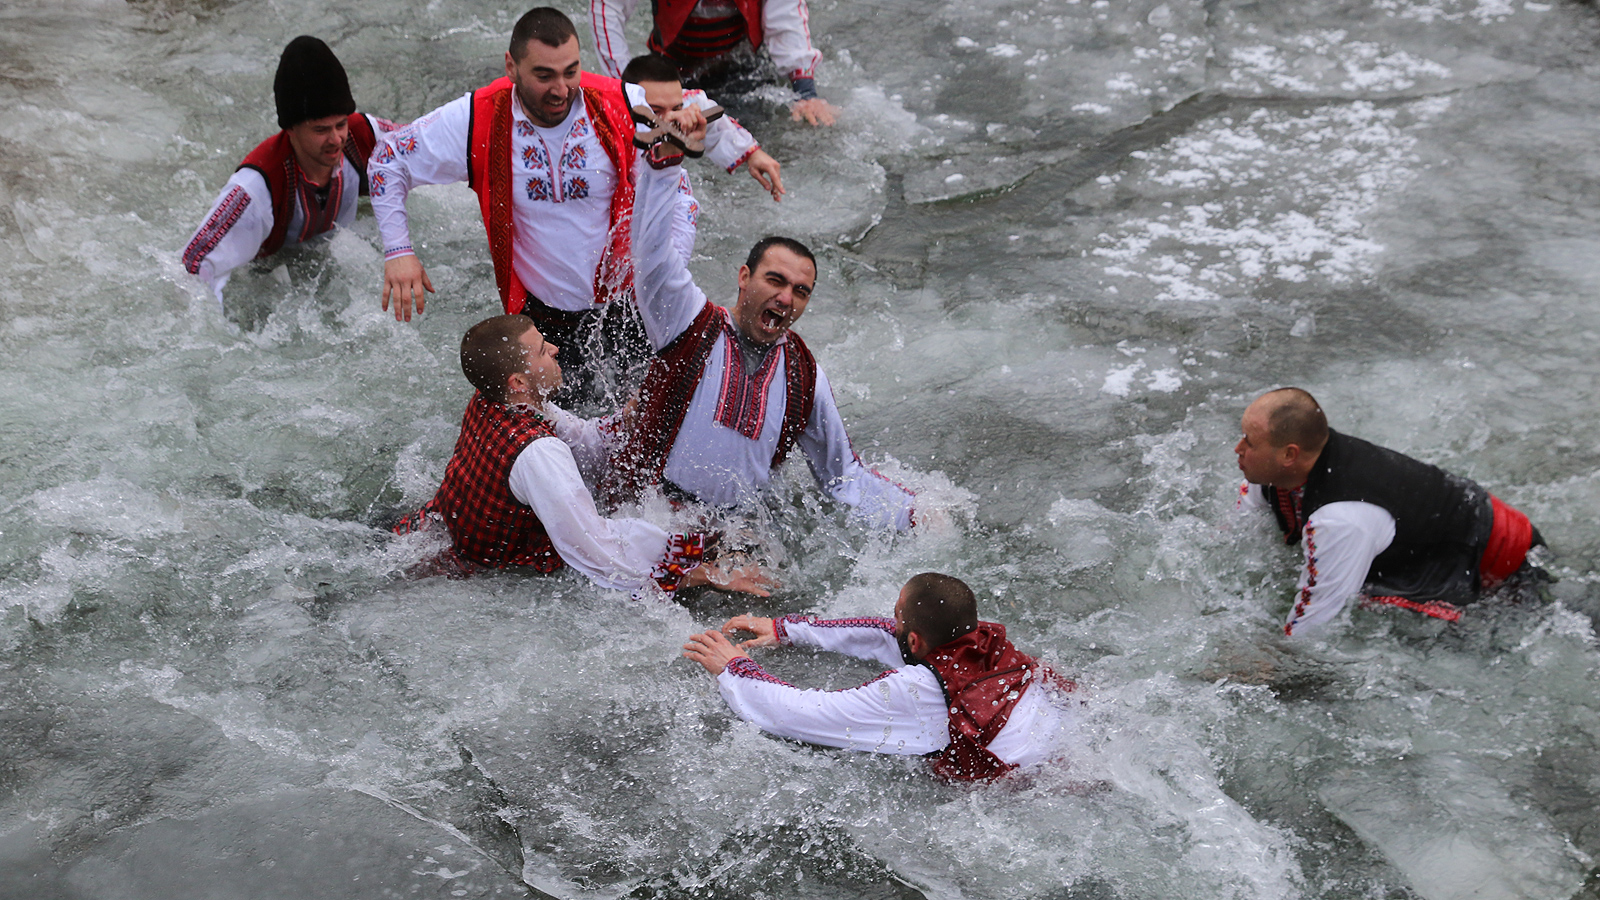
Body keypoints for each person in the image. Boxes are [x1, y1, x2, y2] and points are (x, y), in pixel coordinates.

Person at [547, 133, 917, 531]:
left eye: (800, 291)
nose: (785, 297)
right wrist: (664, 165)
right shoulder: (689, 322)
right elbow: (651, 257)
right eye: (775, 280)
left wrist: (914, 514)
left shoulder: (804, 376)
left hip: (736, 537)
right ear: (744, 277)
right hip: (647, 524)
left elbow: (843, 477)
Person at [369, 5, 699, 400]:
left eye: (570, 71)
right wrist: (399, 251)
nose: (561, 89)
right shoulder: (478, 116)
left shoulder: (621, 103)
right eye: (544, 75)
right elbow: (388, 159)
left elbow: (678, 189)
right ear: (512, 66)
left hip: (629, 309)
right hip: (544, 325)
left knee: (648, 433)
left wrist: (669, 271)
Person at [393, 313, 770, 599]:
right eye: (542, 350)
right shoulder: (539, 455)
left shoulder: (495, 399)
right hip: (483, 583)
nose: (555, 349)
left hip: (431, 541)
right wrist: (701, 572)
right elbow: (598, 551)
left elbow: (584, 441)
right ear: (519, 383)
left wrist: (629, 418)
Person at [681, 572, 1079, 780]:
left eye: (899, 615)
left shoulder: (917, 691)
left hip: (1013, 792)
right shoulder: (992, 643)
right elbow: (887, 634)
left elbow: (805, 714)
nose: (893, 621)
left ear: (917, 637)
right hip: (1068, 753)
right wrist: (787, 629)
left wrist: (734, 667)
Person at [1234, 387, 1545, 636]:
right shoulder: (1274, 473)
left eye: (1249, 441)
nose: (1238, 448)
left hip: (1496, 559)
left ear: (1290, 454)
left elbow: (1315, 623)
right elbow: (1232, 542)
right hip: (1457, 516)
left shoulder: (1341, 520)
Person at [181, 36, 398, 308]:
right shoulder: (256, 187)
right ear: (291, 129)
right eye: (320, 130)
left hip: (334, 266)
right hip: (267, 284)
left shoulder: (363, 135)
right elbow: (194, 264)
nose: (336, 139)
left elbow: (432, 145)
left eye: (340, 124)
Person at [589, 0, 839, 126]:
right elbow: (607, 7)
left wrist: (806, 93)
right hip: (672, 78)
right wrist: (628, 91)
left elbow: (787, 17)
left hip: (747, 76)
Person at [621, 53, 784, 201]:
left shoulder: (686, 104)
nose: (672, 118)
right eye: (656, 111)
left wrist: (752, 153)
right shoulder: (608, 122)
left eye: (677, 109)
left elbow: (705, 111)